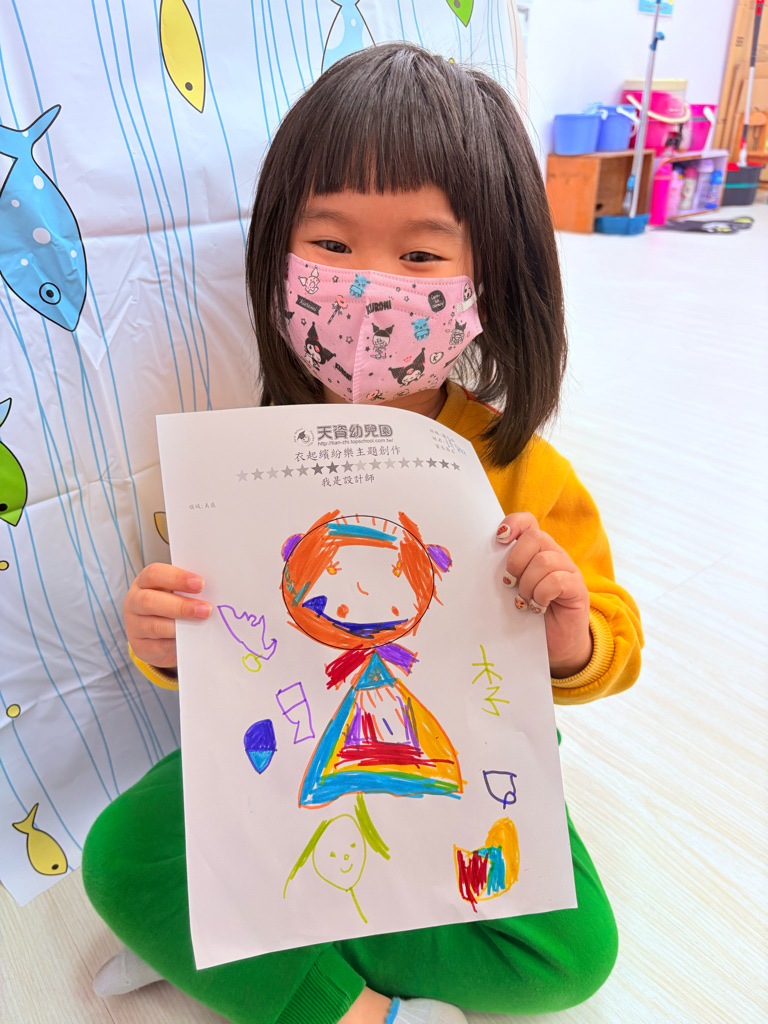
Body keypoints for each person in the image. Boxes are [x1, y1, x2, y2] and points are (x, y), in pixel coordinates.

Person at [82, 43, 642, 1024]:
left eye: (421, 256)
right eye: (332, 246)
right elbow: (235, 652)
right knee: (122, 857)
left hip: (456, 766)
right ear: (278, 253)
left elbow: (612, 641)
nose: (370, 289)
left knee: (573, 955)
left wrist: (571, 636)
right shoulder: (250, 462)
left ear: (492, 276)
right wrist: (167, 641)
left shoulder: (521, 469)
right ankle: (340, 995)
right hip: (292, 751)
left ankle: (253, 937)